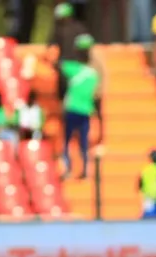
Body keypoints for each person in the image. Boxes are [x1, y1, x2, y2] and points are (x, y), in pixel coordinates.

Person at [58, 33, 101, 179]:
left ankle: (69, 168)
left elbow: (59, 64)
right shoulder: (93, 73)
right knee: (83, 142)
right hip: (85, 110)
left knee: (68, 141)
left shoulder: (72, 68)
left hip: (72, 109)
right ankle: (85, 170)